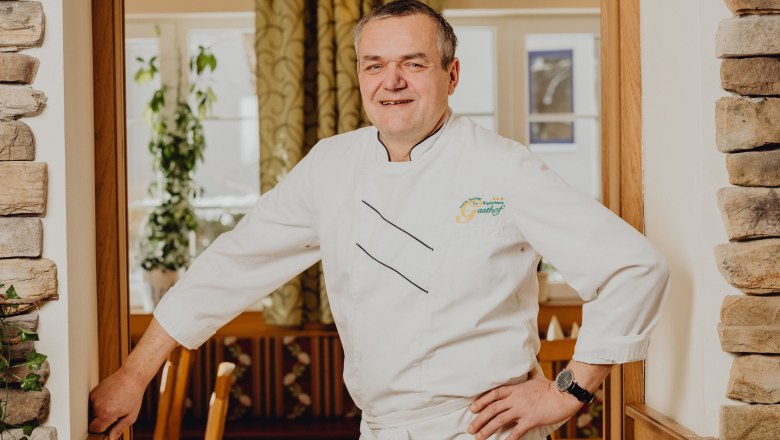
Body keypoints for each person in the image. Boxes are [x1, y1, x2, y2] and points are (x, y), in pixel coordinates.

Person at [89, 1, 669, 439]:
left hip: (483, 429)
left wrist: (570, 390)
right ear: (362, 75)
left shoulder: (504, 166)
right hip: (381, 426)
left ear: (452, 74)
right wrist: (135, 375)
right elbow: (231, 266)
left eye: (413, 64)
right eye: (375, 65)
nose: (391, 82)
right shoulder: (331, 166)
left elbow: (634, 267)